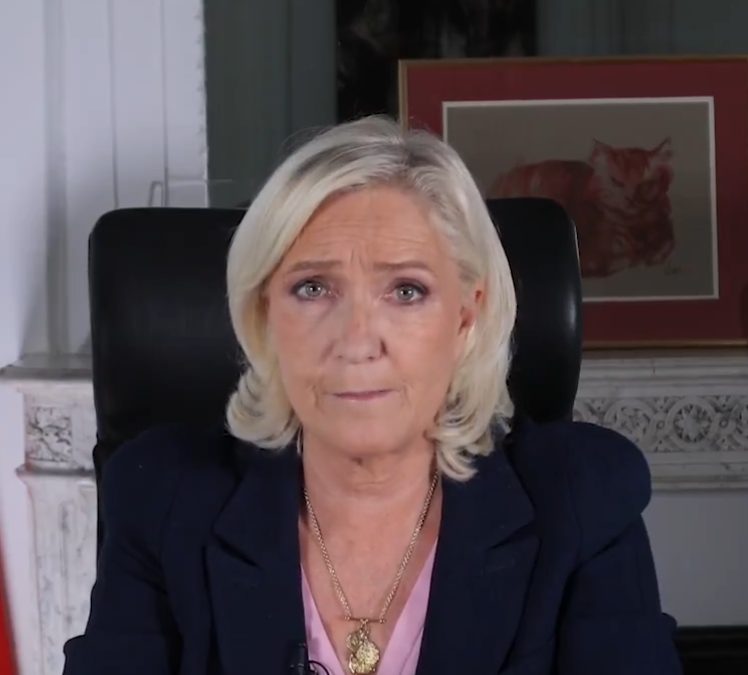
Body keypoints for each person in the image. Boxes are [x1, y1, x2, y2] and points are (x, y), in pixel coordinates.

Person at [62, 116, 682, 675]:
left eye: (406, 291)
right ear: (264, 315)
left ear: (466, 317)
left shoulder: (581, 501)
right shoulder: (163, 500)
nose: (357, 342)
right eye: (312, 288)